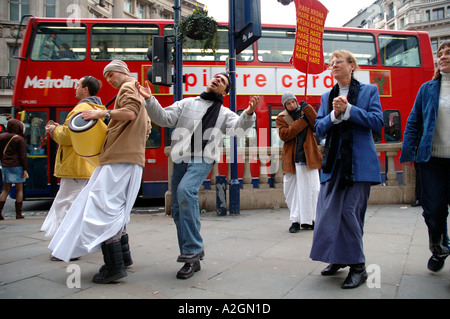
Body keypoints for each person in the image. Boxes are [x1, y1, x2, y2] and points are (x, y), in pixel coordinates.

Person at [136, 73, 259, 279]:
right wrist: (150, 100)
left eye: (222, 81)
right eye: (216, 77)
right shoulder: (187, 103)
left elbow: (238, 130)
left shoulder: (225, 113)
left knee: (186, 191)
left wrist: (248, 113)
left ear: (225, 92)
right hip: (180, 158)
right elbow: (164, 118)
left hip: (203, 158)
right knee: (177, 209)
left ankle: (193, 249)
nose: (217, 79)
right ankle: (190, 258)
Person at [48, 60, 151, 284]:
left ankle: (114, 267)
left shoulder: (127, 86)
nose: (110, 81)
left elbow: (130, 113)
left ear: (122, 72)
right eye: (106, 77)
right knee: (116, 209)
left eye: (111, 75)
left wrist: (101, 115)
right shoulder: (136, 90)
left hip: (119, 158)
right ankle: (124, 257)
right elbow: (147, 125)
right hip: (131, 157)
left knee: (101, 208)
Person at [309, 50, 383, 289]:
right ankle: (339, 258)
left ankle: (358, 266)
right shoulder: (325, 97)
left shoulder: (369, 91)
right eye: (331, 64)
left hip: (359, 163)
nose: (333, 66)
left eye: (338, 62)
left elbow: (377, 122)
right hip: (333, 164)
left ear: (352, 65)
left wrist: (349, 110)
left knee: (349, 212)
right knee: (327, 213)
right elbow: (319, 128)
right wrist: (334, 114)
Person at [41, 76, 104, 260]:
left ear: (85, 89)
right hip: (85, 165)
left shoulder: (82, 108)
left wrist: (53, 130)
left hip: (75, 166)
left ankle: (66, 248)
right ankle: (75, 244)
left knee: (65, 205)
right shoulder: (95, 108)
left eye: (77, 85)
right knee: (77, 206)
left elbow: (68, 136)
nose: (74, 88)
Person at [400, 40, 450, 272]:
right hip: (432, 161)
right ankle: (439, 249)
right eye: (440, 53)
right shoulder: (427, 89)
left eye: (449, 53)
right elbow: (414, 122)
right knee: (432, 210)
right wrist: (409, 152)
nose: (443, 56)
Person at [276, 92, 321, 233]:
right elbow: (285, 135)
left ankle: (310, 220)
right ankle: (295, 220)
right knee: (292, 191)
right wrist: (302, 121)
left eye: (293, 102)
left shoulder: (305, 113)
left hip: (309, 157)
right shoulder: (281, 118)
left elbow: (317, 126)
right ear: (285, 105)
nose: (291, 105)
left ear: (296, 101)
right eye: (288, 103)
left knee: (312, 190)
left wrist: (308, 109)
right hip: (292, 159)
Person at [0, 119, 28, 220]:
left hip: (5, 165)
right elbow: (22, 155)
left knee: (6, 189)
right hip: (17, 166)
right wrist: (25, 169)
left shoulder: (1, 137)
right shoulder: (18, 139)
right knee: (19, 189)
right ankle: (18, 214)